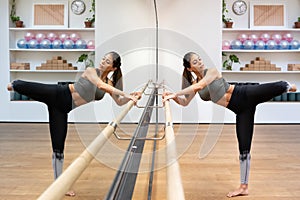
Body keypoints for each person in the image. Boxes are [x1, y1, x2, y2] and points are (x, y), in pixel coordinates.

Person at [162, 52, 297, 198]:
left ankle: (289, 86)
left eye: (199, 59)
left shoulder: (211, 72)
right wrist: (173, 97)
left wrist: (175, 93)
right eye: (195, 62)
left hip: (244, 94)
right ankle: (243, 187)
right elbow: (185, 102)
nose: (200, 62)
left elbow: (200, 85)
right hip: (241, 110)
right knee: (244, 149)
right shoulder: (194, 85)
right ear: (189, 68)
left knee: (279, 86)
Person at [7, 51, 140, 197]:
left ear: (113, 68)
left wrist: (131, 97)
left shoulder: (110, 84)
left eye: (107, 61)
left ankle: (59, 185)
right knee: (21, 85)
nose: (103, 62)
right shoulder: (91, 72)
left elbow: (119, 102)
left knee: (58, 148)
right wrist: (125, 93)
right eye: (103, 59)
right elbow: (100, 86)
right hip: (58, 93)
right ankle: (15, 85)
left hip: (62, 109)